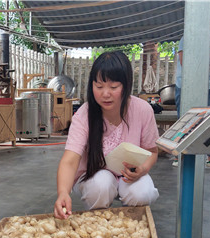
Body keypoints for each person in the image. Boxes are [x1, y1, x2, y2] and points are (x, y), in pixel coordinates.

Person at [54, 51, 160, 219]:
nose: (105, 94)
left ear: (126, 85)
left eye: (113, 87)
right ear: (92, 85)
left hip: (129, 174)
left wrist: (143, 169)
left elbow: (152, 151)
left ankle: (134, 222)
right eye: (99, 86)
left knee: (142, 192)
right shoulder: (84, 115)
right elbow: (70, 160)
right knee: (100, 184)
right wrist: (62, 193)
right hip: (95, 174)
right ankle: (98, 222)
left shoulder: (142, 110)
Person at [173, 34, 210, 168]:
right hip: (187, 86)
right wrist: (208, 52)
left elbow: (208, 67)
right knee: (186, 121)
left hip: (206, 86)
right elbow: (185, 62)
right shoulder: (187, 37)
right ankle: (179, 156)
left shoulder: (208, 41)